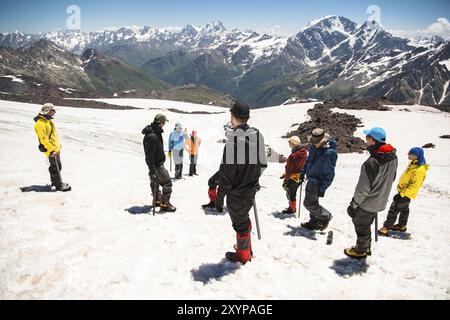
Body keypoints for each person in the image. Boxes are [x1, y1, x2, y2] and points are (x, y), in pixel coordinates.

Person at [219, 101, 267, 264]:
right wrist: (252, 180)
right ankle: (245, 248)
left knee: (240, 224)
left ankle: (243, 255)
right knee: (244, 219)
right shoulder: (257, 135)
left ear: (233, 117)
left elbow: (226, 175)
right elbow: (262, 163)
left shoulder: (233, 142)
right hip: (251, 189)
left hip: (237, 192)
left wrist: (219, 198)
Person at [345, 127, 398, 259]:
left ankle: (361, 250)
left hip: (367, 202)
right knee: (366, 222)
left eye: (367, 139)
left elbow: (363, 188)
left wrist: (354, 204)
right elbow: (392, 177)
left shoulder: (372, 162)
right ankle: (366, 246)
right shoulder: (393, 156)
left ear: (373, 140)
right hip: (381, 198)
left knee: (361, 224)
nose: (366, 141)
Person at [378, 147, 429, 236]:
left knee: (394, 209)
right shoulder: (413, 164)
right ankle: (401, 225)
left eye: (410, 153)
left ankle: (385, 228)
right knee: (404, 209)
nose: (408, 154)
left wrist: (402, 195)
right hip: (404, 192)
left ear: (416, 156)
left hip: (405, 193)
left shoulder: (419, 170)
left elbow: (415, 186)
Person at [301, 128, 337, 231]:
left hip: (318, 182)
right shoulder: (313, 148)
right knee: (313, 202)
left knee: (309, 204)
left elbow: (330, 173)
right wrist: (302, 173)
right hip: (311, 179)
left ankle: (325, 215)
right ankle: (314, 222)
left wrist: (323, 188)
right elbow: (308, 161)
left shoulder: (329, 153)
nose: (314, 144)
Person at [142, 114, 176, 212]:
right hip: (156, 164)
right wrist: (153, 171)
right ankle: (164, 204)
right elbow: (149, 156)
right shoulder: (152, 136)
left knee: (155, 182)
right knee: (167, 183)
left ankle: (157, 200)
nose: (164, 124)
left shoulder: (155, 132)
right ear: (160, 123)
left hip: (156, 163)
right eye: (164, 122)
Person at [34, 103, 71, 192]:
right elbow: (44, 139)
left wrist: (57, 146)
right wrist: (51, 150)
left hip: (55, 149)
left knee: (58, 166)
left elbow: (52, 136)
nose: (54, 112)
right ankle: (59, 186)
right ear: (48, 110)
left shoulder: (47, 121)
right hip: (51, 150)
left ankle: (56, 182)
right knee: (55, 167)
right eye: (53, 110)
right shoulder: (40, 123)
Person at [280, 136, 308, 214]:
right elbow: (304, 165)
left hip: (292, 178)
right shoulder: (304, 152)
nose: (289, 144)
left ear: (293, 144)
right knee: (293, 193)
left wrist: (286, 180)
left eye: (290, 142)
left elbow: (289, 170)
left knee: (290, 194)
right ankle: (292, 208)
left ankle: (292, 209)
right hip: (299, 177)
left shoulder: (293, 156)